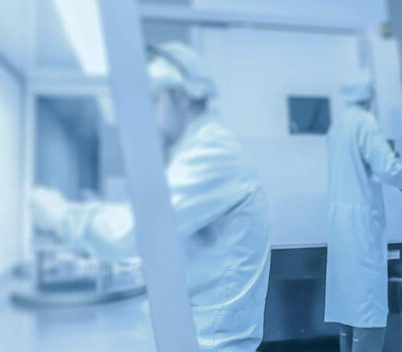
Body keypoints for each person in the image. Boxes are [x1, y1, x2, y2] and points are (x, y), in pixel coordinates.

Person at [32, 42, 271, 352]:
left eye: (155, 100)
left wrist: (60, 214)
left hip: (212, 343)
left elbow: (131, 231)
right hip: (197, 335)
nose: (152, 117)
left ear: (182, 96)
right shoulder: (197, 149)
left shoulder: (215, 154)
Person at [324, 69, 402, 352]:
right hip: (361, 229)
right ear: (368, 95)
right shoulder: (364, 123)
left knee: (349, 306)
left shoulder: (337, 127)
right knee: (366, 303)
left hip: (341, 229)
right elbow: (388, 168)